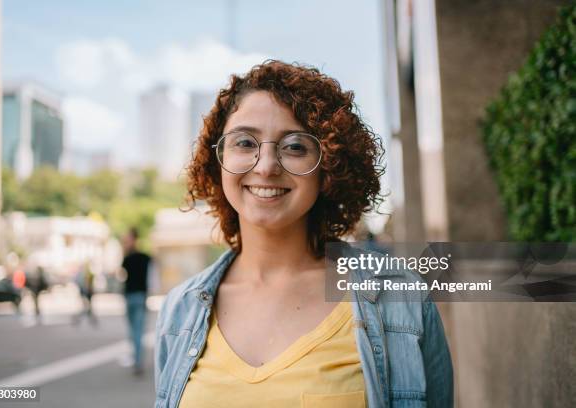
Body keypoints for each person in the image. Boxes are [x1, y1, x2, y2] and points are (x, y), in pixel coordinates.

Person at [154, 61, 453, 407]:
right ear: (218, 161)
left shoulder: (401, 300)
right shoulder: (180, 309)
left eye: (295, 146)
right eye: (245, 142)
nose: (266, 166)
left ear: (329, 168)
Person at [121, 227, 151, 375]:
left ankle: (137, 360)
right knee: (137, 330)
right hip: (140, 296)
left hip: (131, 296)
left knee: (134, 331)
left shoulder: (127, 258)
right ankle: (137, 360)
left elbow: (122, 274)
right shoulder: (146, 257)